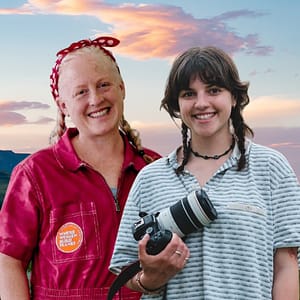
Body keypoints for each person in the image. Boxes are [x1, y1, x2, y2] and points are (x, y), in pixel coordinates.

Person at [109, 46, 300, 299]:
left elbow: (287, 265)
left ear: (234, 97)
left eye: (214, 90)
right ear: (177, 105)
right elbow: (124, 265)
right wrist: (151, 278)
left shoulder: (271, 167)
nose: (201, 103)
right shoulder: (150, 178)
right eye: (189, 93)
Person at [0, 36, 160, 300]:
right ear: (63, 105)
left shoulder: (155, 169)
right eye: (81, 92)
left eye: (104, 85)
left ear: (122, 89)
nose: (95, 99)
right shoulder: (35, 174)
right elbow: (9, 260)